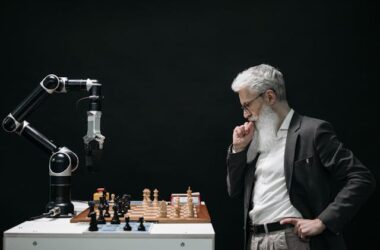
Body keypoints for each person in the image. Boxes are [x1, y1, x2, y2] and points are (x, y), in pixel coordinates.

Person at [226, 64, 376, 250]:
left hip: (293, 241)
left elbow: (361, 178)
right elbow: (235, 191)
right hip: (255, 240)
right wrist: (238, 150)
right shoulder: (255, 139)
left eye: (247, 105)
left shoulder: (312, 132)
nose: (245, 115)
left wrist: (322, 221)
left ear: (270, 97)